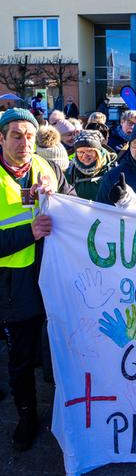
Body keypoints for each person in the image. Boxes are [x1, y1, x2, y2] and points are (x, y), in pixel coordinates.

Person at [0, 108, 73, 451]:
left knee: (59, 346)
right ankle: (27, 415)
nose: (24, 142)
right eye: (16, 135)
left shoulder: (48, 167)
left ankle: (67, 408)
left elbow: (76, 209)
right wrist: (28, 233)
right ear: (1, 139)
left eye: (29, 135)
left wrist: (59, 198)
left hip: (53, 274)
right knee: (20, 358)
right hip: (13, 283)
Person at [66, 130, 117, 201]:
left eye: (89, 151)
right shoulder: (70, 172)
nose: (85, 156)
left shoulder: (113, 170)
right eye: (80, 152)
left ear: (98, 152)